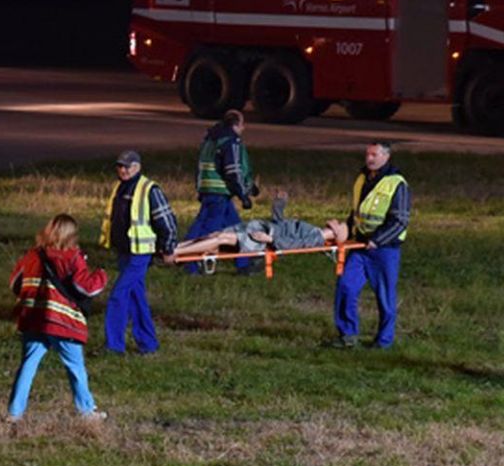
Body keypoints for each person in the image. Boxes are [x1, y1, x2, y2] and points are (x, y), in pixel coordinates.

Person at [7, 214, 109, 421]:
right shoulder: (72, 257)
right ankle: (86, 411)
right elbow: (85, 287)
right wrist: (101, 275)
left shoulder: (32, 255)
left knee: (28, 364)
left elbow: (14, 284)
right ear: (72, 235)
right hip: (62, 323)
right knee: (75, 367)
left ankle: (14, 412)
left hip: (33, 319)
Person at [328, 141, 410, 350]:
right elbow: (357, 211)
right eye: (367, 154)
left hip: (384, 249)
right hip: (359, 245)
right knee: (346, 286)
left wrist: (377, 240)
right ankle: (347, 335)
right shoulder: (362, 178)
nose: (369, 158)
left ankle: (384, 341)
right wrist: (346, 230)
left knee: (385, 297)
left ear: (386, 157)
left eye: (374, 154)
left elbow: (400, 220)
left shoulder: (397, 184)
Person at [99, 150, 178, 357]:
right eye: (120, 166)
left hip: (140, 253)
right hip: (125, 251)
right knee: (135, 297)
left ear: (138, 167)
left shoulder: (150, 190)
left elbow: (167, 221)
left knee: (118, 296)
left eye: (127, 166)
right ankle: (148, 344)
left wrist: (168, 248)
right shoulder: (120, 187)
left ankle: (114, 347)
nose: (123, 170)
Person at [183, 109, 259, 275]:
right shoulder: (230, 142)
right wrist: (243, 195)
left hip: (208, 190)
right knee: (211, 231)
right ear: (236, 125)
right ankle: (192, 262)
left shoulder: (210, 139)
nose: (244, 128)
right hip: (220, 192)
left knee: (234, 227)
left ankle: (243, 264)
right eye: (242, 124)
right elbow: (233, 171)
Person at [174, 190, 348, 260]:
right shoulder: (314, 230)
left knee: (221, 238)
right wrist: (280, 204)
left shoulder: (315, 237)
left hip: (261, 238)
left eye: (336, 225)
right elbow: (281, 223)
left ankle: (176, 251)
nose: (333, 222)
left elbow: (293, 245)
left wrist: (271, 238)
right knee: (215, 237)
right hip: (260, 228)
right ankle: (173, 248)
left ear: (333, 232)